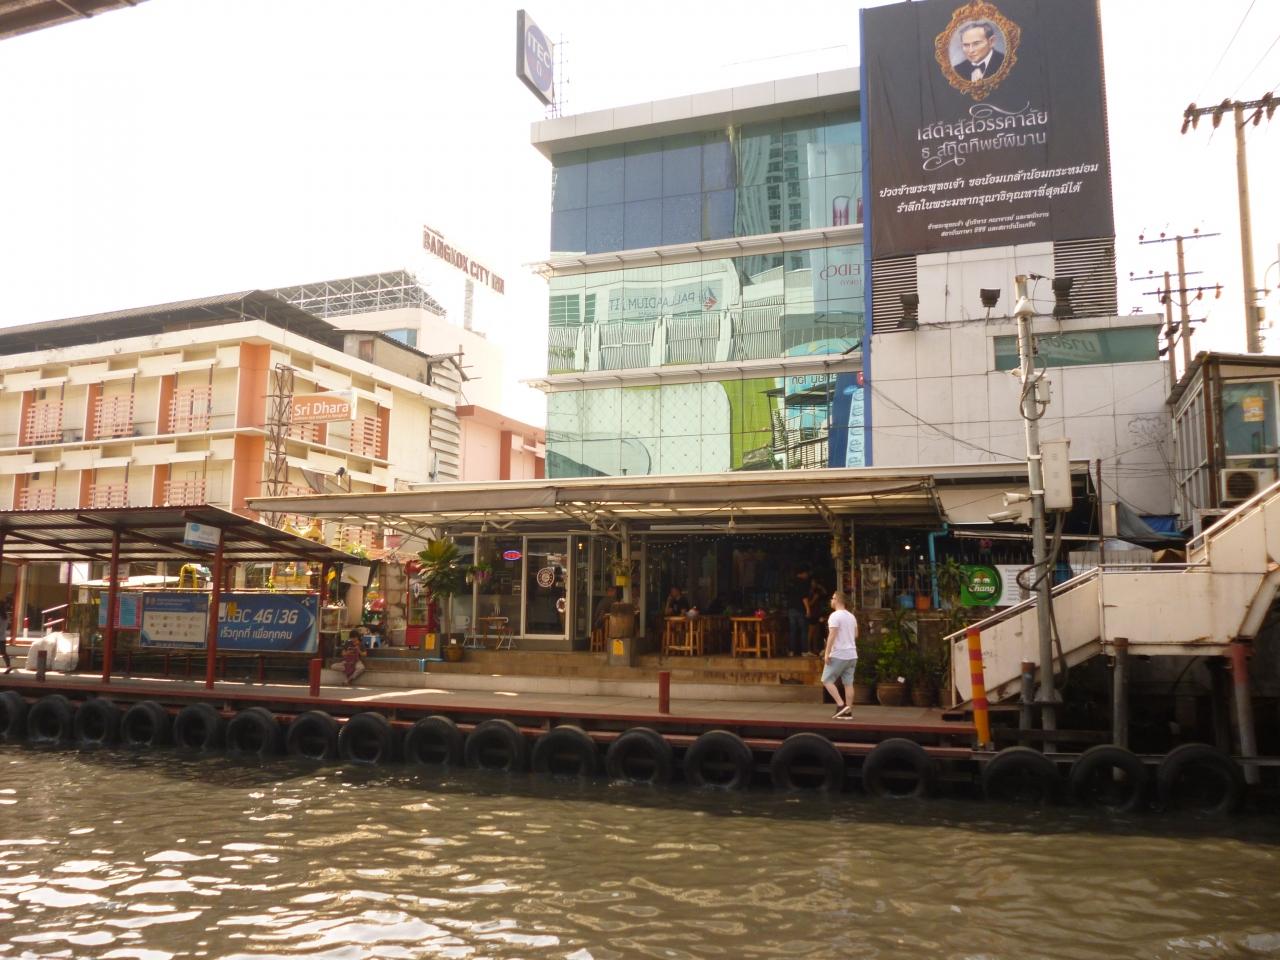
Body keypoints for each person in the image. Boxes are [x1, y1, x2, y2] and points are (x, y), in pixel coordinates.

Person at [821, 591, 859, 720]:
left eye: (832, 598)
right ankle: (848, 712)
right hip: (852, 655)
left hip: (839, 654)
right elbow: (856, 634)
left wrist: (827, 653)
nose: (831, 600)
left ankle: (841, 705)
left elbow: (832, 635)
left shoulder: (835, 616)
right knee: (848, 684)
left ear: (837, 600)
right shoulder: (851, 616)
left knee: (826, 680)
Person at [786, 567, 812, 656]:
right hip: (800, 609)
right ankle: (804, 651)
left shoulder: (790, 582)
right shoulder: (803, 583)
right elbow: (804, 597)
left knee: (792, 630)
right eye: (806, 573)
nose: (807, 575)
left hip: (791, 609)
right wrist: (808, 609)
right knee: (803, 630)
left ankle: (791, 651)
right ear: (803, 573)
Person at [0, 596, 11, 674]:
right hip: (2, 637)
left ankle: (9, 666)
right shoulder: (6, 615)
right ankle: (9, 666)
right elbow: (6, 626)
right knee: (3, 653)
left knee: (3, 653)